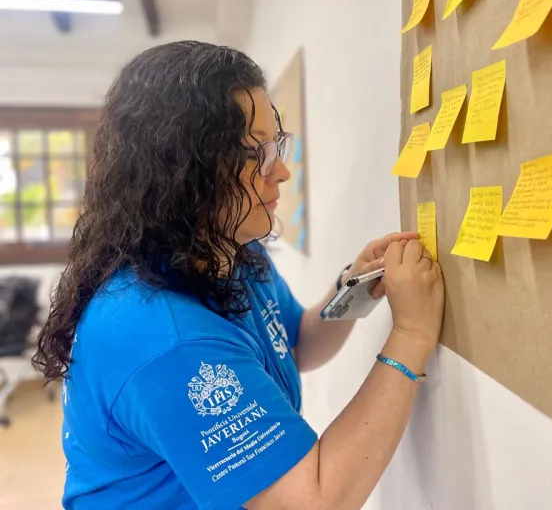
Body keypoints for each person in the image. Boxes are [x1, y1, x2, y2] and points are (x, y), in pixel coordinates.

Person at [33, 41, 445, 510]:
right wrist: (411, 334)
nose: (281, 172)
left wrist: (353, 287)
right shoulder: (162, 335)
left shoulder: (232, 251)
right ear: (183, 170)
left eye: (276, 146)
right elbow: (311, 501)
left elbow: (298, 345)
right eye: (256, 154)